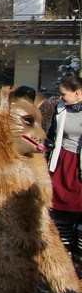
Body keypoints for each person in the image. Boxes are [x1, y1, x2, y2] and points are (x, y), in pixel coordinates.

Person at [48, 76, 82, 259]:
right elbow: (52, 134)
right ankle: (63, 252)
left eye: (63, 94)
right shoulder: (60, 109)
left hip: (79, 164)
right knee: (60, 207)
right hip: (62, 161)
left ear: (77, 93)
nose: (61, 98)